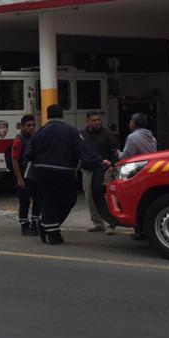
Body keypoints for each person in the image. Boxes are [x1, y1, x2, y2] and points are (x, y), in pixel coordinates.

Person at [25, 104, 103, 245]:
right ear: (62, 115)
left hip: (42, 173)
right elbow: (84, 150)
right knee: (68, 200)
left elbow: (28, 154)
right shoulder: (71, 131)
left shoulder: (39, 132)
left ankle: (49, 228)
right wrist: (100, 161)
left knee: (48, 202)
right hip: (63, 173)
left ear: (48, 116)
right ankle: (51, 230)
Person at [80, 111, 120, 233]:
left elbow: (115, 152)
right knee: (89, 196)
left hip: (104, 170)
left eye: (98, 120)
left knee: (106, 197)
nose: (97, 122)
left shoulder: (107, 134)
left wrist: (113, 166)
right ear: (88, 121)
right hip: (88, 169)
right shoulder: (82, 135)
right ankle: (97, 222)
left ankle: (111, 223)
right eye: (94, 120)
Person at [121, 113, 157, 239]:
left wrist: (118, 154)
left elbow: (127, 156)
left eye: (131, 121)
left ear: (135, 123)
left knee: (136, 203)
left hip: (138, 173)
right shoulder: (151, 137)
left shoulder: (132, 138)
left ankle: (140, 231)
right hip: (150, 171)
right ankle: (147, 230)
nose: (129, 123)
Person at [9, 114, 40, 236]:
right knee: (25, 201)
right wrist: (19, 179)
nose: (31, 127)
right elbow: (14, 160)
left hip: (34, 175)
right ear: (22, 126)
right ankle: (24, 226)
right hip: (23, 175)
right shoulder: (19, 140)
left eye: (33, 125)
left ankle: (35, 223)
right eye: (28, 125)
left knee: (38, 200)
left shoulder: (35, 138)